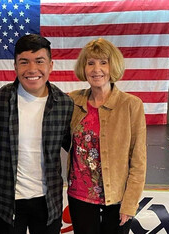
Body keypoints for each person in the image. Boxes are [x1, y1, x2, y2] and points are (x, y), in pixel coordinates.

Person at [0, 34, 73, 234]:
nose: (32, 69)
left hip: (48, 202)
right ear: (15, 66)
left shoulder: (64, 105)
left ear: (51, 65)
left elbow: (75, 147)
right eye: (24, 62)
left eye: (39, 61)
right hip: (8, 202)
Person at [67, 38, 147, 234]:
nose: (97, 69)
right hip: (80, 196)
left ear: (114, 66)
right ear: (83, 67)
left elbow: (138, 160)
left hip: (116, 198)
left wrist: (130, 204)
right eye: (91, 63)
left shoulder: (131, 105)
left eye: (104, 62)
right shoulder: (72, 101)